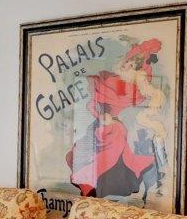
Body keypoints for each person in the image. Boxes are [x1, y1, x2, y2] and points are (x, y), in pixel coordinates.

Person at [66, 39, 165, 199]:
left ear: (136, 70)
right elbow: (95, 103)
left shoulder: (131, 86)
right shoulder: (111, 78)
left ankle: (95, 186)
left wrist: (110, 119)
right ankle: (90, 185)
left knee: (111, 152)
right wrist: (101, 116)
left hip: (115, 126)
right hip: (101, 123)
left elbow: (136, 102)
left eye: (132, 65)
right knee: (81, 150)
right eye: (128, 62)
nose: (127, 65)